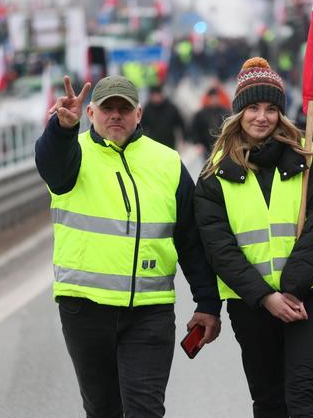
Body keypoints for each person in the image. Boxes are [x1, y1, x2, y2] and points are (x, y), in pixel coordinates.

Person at [35, 75, 222, 417]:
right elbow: (49, 164)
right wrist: (61, 129)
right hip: (85, 311)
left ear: (139, 114)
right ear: (91, 113)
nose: (115, 116)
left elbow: (192, 240)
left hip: (150, 313)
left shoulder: (167, 163)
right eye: (108, 108)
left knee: (145, 411)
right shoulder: (71, 155)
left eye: (124, 108)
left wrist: (208, 302)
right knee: (103, 410)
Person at [193, 57, 313, 418]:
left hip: (308, 299)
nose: (262, 117)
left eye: (272, 108)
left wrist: (291, 288)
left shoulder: (309, 161)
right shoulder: (215, 175)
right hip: (251, 306)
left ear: (282, 113)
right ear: (238, 113)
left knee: (306, 400)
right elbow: (219, 248)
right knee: (271, 403)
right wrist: (266, 298)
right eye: (253, 107)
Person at [140, 83, 185, 149]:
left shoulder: (171, 108)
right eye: (154, 95)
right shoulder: (147, 109)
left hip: (169, 143)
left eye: (158, 95)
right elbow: (142, 126)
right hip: (154, 144)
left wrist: (184, 138)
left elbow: (180, 123)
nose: (156, 97)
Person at [191, 86, 230, 157]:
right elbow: (195, 130)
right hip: (206, 148)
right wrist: (197, 143)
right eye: (212, 98)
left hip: (223, 147)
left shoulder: (226, 112)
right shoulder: (201, 114)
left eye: (216, 97)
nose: (214, 100)